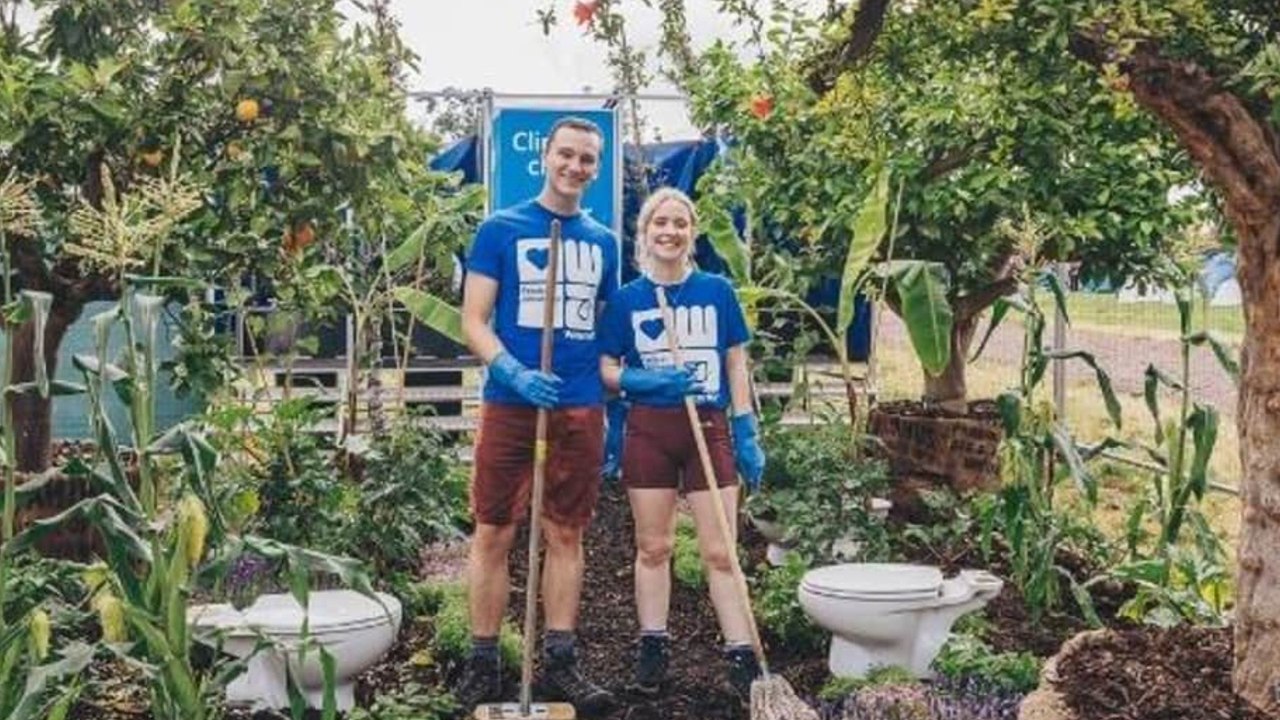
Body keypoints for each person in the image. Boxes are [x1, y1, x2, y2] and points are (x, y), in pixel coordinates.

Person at [455, 116, 618, 715]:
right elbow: (473, 320)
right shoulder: (501, 229)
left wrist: (614, 403)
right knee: (495, 528)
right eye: (566, 155)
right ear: (545, 158)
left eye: (587, 160)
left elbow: (605, 330)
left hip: (578, 402)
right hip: (511, 403)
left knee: (565, 531)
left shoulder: (603, 241)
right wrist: (514, 371)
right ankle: (483, 664)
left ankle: (561, 665)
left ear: (596, 169)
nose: (576, 167)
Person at [597, 187, 767, 703]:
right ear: (645, 233)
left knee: (720, 550)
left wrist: (744, 428)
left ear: (691, 233)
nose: (669, 231)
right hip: (650, 428)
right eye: (659, 223)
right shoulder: (628, 299)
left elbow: (736, 362)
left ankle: (741, 654)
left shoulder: (716, 290)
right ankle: (653, 645)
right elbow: (606, 369)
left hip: (708, 428)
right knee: (655, 547)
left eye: (679, 223)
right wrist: (644, 384)